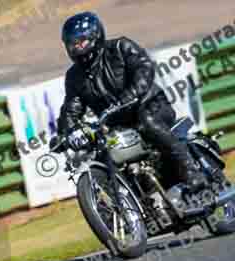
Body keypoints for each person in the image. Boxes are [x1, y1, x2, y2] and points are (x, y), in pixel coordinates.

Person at [57, 12, 206, 191]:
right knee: (101, 152)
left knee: (147, 122)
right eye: (72, 44)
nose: (77, 48)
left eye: (81, 42)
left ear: (95, 37)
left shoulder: (120, 47)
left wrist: (130, 95)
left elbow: (144, 67)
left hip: (150, 105)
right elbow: (71, 107)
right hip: (115, 123)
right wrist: (66, 133)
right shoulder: (74, 76)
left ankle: (190, 170)